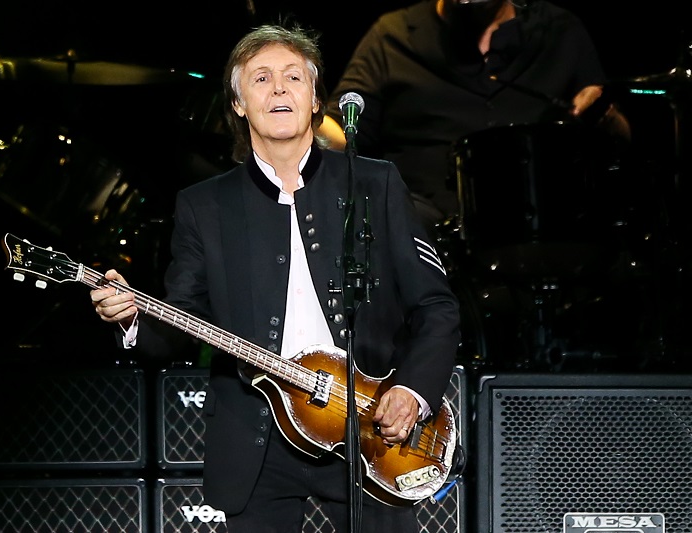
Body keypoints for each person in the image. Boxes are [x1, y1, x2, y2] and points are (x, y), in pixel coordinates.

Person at [90, 23, 460, 533]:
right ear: (240, 105)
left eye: (293, 77)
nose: (280, 88)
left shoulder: (374, 183)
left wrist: (413, 391)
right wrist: (133, 318)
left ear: (315, 100)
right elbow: (183, 317)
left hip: (371, 431)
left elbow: (436, 306)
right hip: (255, 441)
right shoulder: (204, 205)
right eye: (261, 78)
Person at [318, 0, 631, 233]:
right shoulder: (393, 36)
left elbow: (618, 136)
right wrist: (303, 118)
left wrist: (604, 117)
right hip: (425, 229)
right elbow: (345, 133)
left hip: (546, 225)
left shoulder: (560, 31)